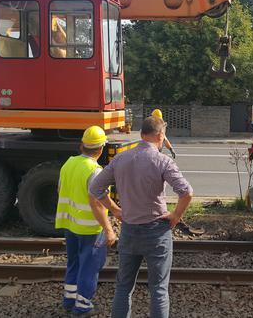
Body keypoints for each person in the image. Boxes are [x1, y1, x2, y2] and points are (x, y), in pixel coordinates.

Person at [89, 116, 193, 318]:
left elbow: (96, 188)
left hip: (129, 230)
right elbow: (186, 192)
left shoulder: (120, 158)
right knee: (159, 289)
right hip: (157, 232)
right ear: (160, 135)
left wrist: (116, 210)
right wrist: (176, 215)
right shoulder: (163, 161)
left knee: (124, 287)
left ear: (142, 134)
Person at [55, 125, 117, 316]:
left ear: (82, 145)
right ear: (100, 149)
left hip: (70, 224)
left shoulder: (69, 163)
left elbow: (60, 190)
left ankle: (69, 300)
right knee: (89, 268)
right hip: (90, 229)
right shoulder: (95, 171)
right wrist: (109, 229)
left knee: (73, 263)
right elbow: (97, 204)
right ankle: (82, 306)